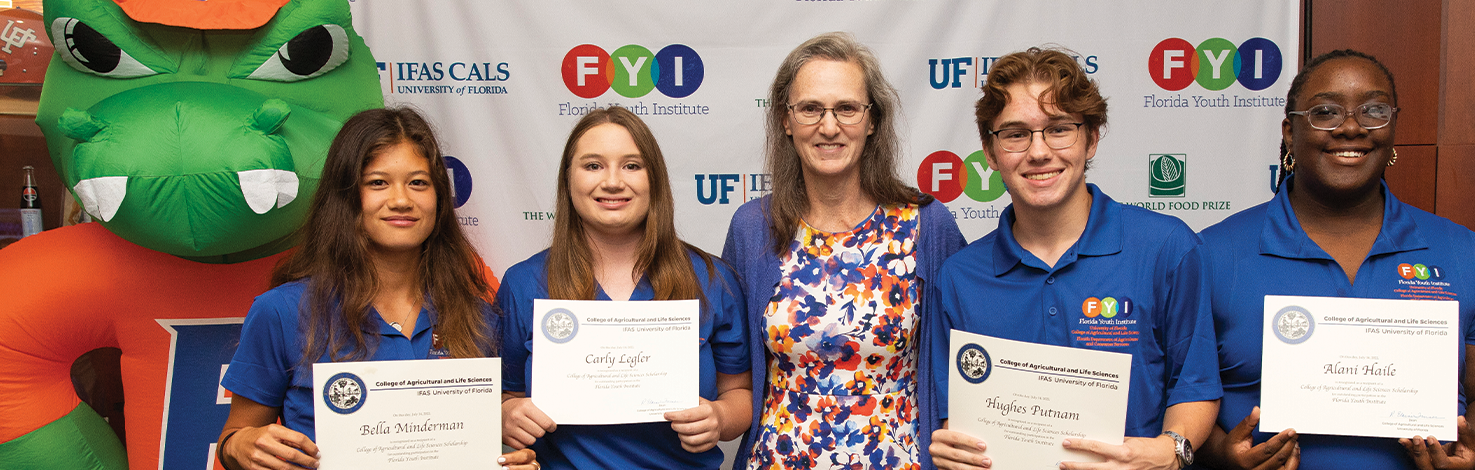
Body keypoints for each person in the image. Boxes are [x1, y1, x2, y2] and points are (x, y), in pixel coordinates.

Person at [1192, 50, 1475, 470]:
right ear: (1290, 131)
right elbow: (1164, 388)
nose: (1352, 127)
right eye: (1326, 111)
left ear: (1392, 127)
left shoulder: (1464, 253)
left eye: (1373, 110)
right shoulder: (1212, 254)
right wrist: (1217, 455)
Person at [925, 47, 1221, 470]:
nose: (1039, 152)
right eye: (1015, 134)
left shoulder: (1166, 248)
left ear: (1092, 138)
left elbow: (1195, 383)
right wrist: (957, 455)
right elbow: (956, 414)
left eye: (1059, 129)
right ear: (990, 154)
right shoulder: (958, 277)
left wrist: (1172, 449)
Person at [216, 107, 537, 469]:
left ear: (439, 199)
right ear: (347, 196)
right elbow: (234, 439)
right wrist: (241, 445)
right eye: (378, 183)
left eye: (418, 183)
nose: (401, 200)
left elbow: (484, 445)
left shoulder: (478, 316)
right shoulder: (281, 312)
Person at [724, 32, 967, 470]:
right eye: (811, 108)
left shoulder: (926, 224)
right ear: (786, 119)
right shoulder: (752, 227)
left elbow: (967, 352)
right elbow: (731, 365)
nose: (829, 126)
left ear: (872, 120)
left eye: (847, 108)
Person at [495, 106, 751, 469]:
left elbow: (740, 393)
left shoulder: (712, 279)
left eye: (632, 165)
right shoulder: (523, 283)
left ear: (655, 180)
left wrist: (721, 418)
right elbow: (506, 394)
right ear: (569, 179)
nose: (613, 181)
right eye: (593, 165)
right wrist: (508, 414)